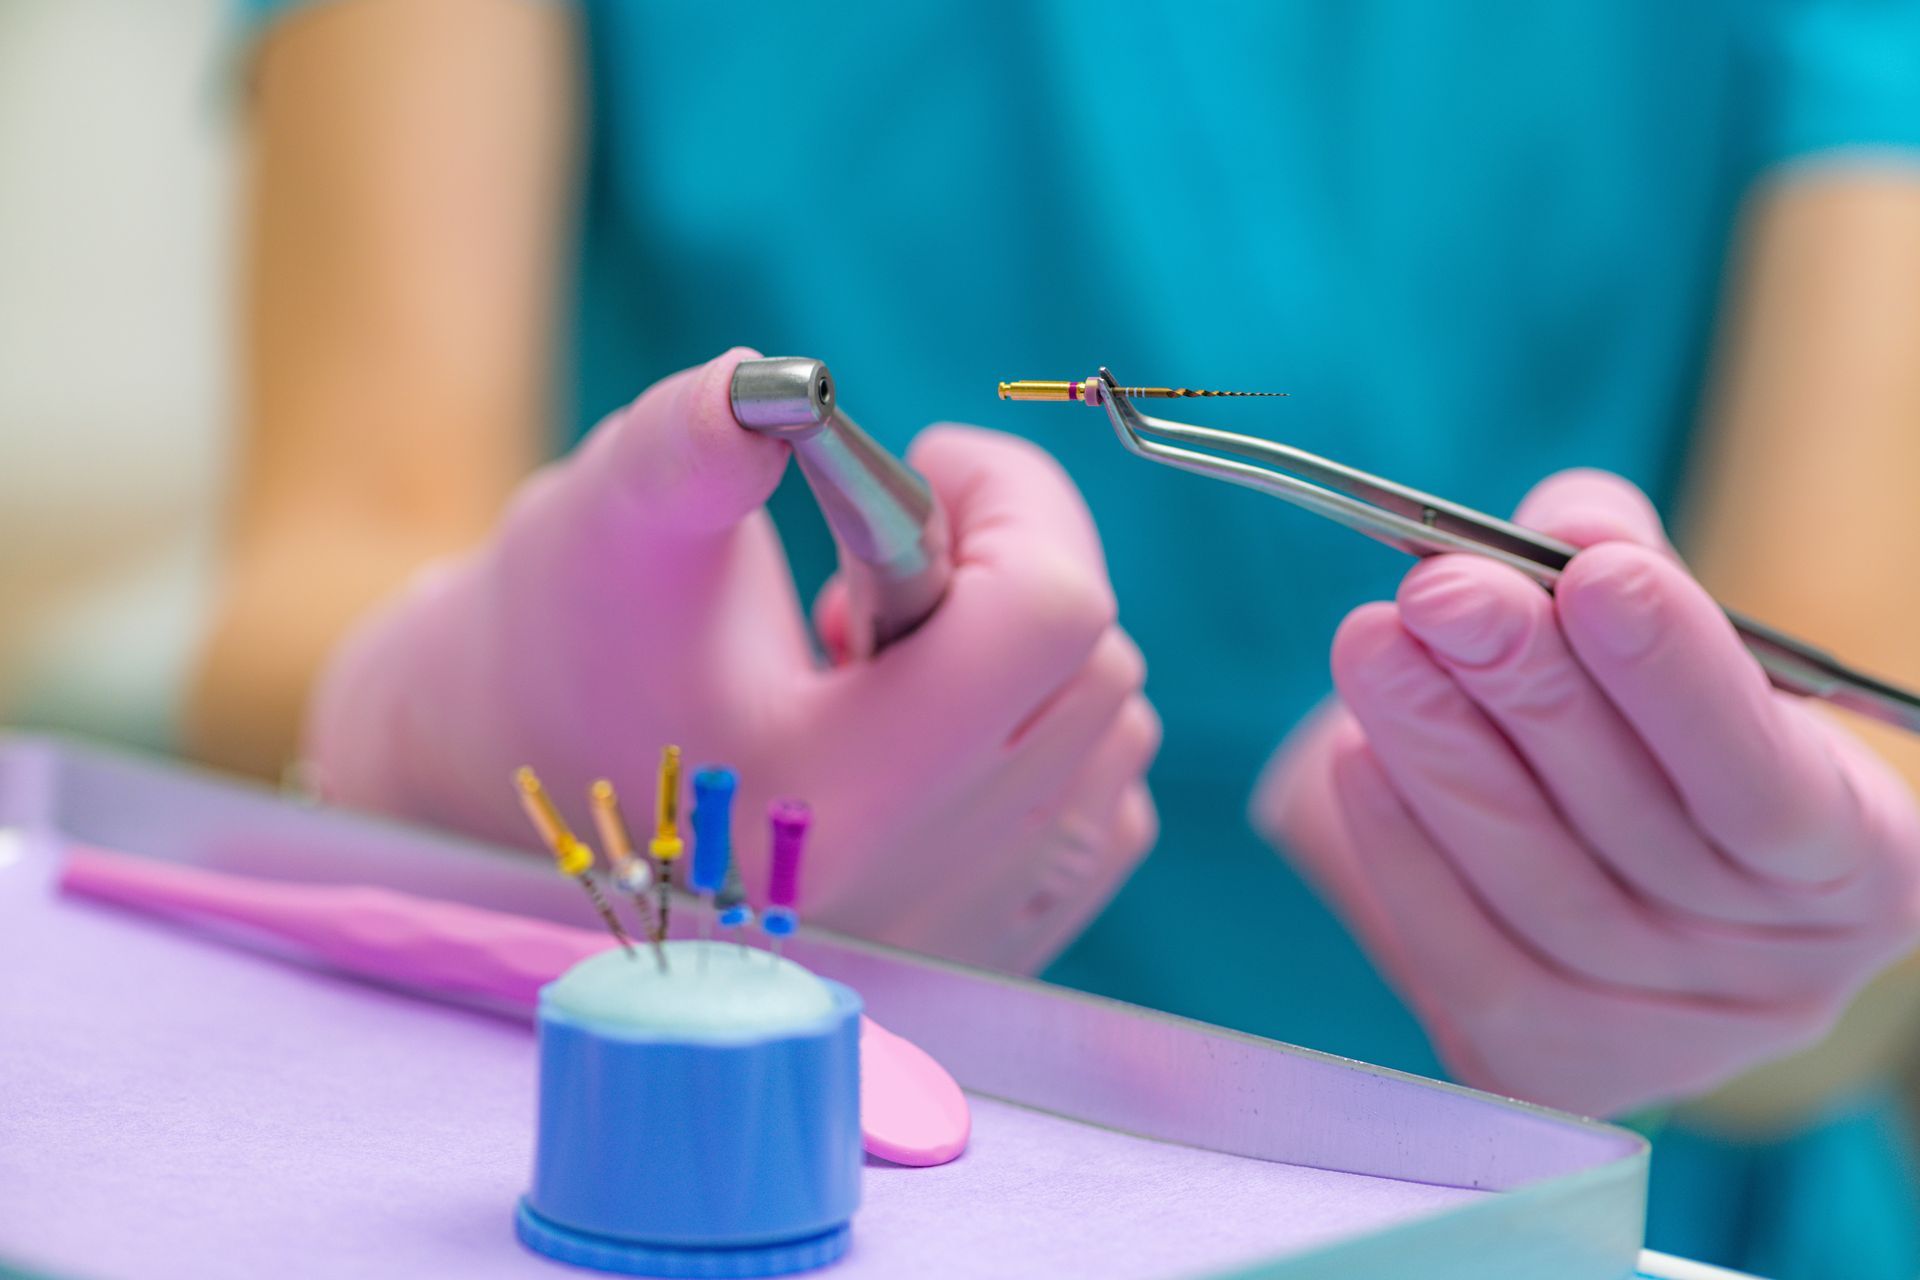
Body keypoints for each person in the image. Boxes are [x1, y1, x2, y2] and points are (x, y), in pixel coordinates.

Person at [197, 3, 1920, 1273]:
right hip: (715, 1187)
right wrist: (421, 731)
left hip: (1625, 1218)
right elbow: (321, 556)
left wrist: (1778, 935)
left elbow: (1858, 701)